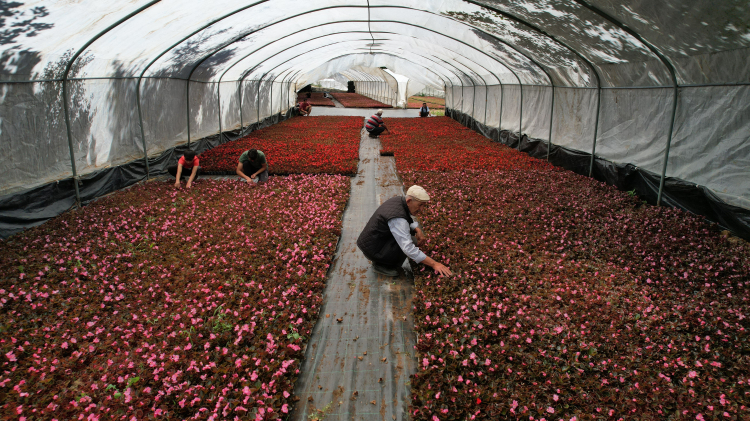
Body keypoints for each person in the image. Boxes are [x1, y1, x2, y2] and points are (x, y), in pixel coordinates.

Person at [357, 185, 452, 277]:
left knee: (412, 237)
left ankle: (383, 259)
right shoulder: (398, 219)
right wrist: (435, 264)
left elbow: (406, 218)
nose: (422, 209)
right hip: (373, 250)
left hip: (373, 242)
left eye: (424, 206)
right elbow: (408, 248)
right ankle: (381, 265)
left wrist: (417, 229)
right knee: (411, 242)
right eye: (420, 205)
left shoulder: (399, 201)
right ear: (409, 201)